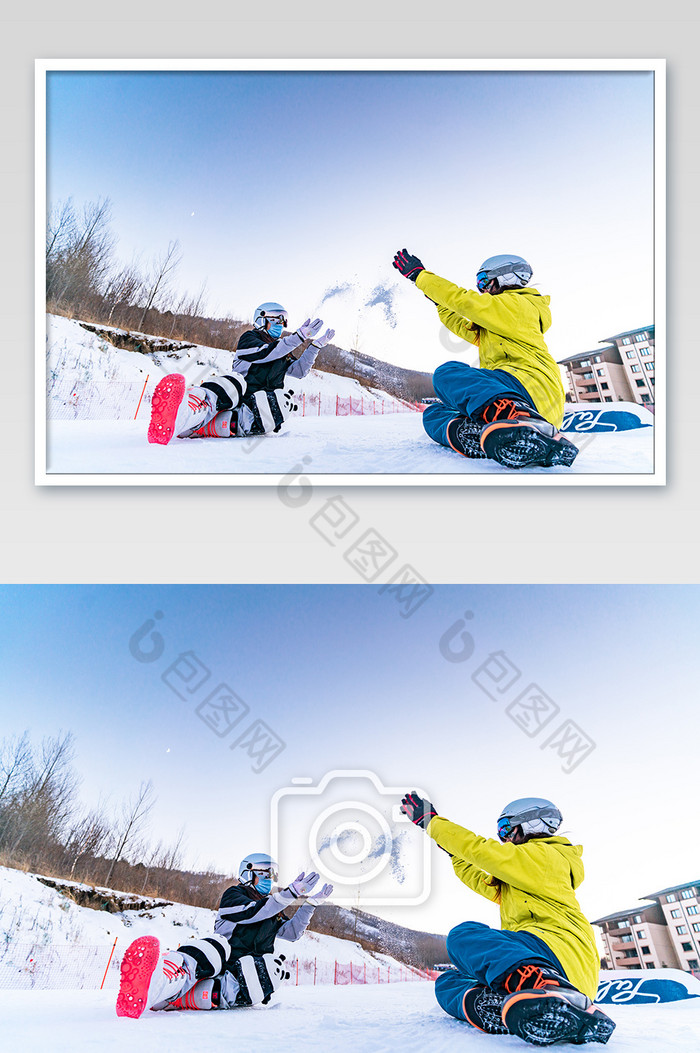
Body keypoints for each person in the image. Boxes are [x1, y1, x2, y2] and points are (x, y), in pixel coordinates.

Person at [400, 793, 615, 1046]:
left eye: (506, 829)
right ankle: (509, 1009)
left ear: (533, 823)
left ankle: (553, 989)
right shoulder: (523, 874)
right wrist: (453, 853)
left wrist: (432, 823)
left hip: (557, 954)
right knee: (448, 982)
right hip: (538, 959)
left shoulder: (546, 857)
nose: (504, 838)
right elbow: (479, 878)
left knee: (464, 935)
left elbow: (480, 850)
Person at [392, 249, 578, 469]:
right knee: (434, 414)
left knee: (447, 373)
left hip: (530, 388)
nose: (482, 290)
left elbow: (464, 301)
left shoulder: (519, 306)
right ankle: (487, 437)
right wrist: (439, 302)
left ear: (508, 277)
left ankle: (524, 420)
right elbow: (462, 324)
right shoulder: (498, 319)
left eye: (484, 281)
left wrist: (420, 276)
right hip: (512, 393)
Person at [116, 852, 332, 1018]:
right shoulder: (235, 895)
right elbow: (252, 912)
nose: (270, 879)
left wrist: (309, 905)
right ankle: (156, 982)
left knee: (273, 968)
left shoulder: (273, 908)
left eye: (272, 875)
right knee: (215, 946)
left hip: (244, 976)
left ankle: (174, 999)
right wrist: (290, 894)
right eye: (265, 874)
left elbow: (292, 933)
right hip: (219, 962)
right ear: (249, 873)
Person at [147, 302, 335, 444]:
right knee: (234, 382)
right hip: (235, 398)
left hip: (255, 410)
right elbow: (264, 353)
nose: (281, 324)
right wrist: (298, 337)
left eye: (283, 321)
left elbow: (300, 370)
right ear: (261, 319)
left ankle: (201, 428)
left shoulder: (282, 350)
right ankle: (184, 412)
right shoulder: (250, 339)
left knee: (283, 401)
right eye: (276, 320)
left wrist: (315, 347)